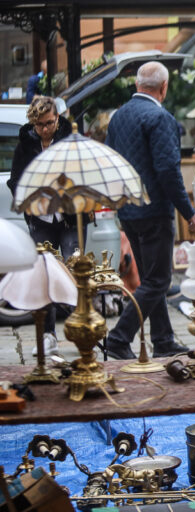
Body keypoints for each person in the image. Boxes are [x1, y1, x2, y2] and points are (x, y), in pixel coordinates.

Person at [104, 61, 195, 360]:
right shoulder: (161, 118)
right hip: (154, 209)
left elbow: (110, 163)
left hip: (128, 210)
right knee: (158, 281)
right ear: (164, 87)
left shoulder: (118, 118)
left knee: (150, 280)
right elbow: (168, 170)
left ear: (137, 85)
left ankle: (163, 340)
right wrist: (188, 211)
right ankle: (118, 338)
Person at [8, 95, 78, 356]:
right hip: (41, 218)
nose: (45, 129)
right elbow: (15, 181)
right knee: (45, 274)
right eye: (39, 125)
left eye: (49, 123)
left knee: (73, 268)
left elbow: (81, 174)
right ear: (33, 123)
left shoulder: (69, 139)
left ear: (57, 118)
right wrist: (31, 198)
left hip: (68, 216)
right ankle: (48, 334)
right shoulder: (25, 143)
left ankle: (83, 327)